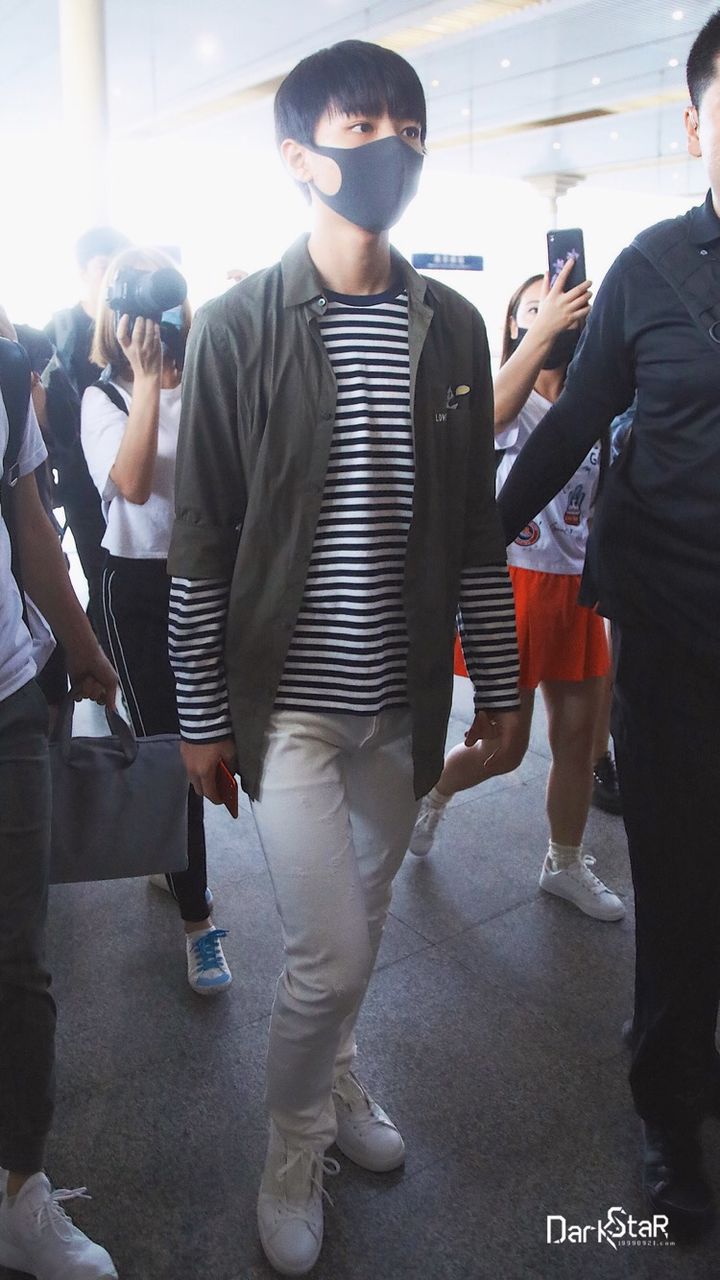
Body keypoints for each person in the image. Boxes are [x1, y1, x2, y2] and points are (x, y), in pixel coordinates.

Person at [166, 38, 522, 1275]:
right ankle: (291, 1142)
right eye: (362, 127)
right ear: (298, 156)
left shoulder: (455, 328)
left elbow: (474, 528)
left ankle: (340, 1074)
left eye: (407, 129)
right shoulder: (239, 327)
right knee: (330, 955)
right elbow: (201, 537)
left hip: (400, 704)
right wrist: (198, 713)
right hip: (292, 712)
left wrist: (503, 686)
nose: (392, 150)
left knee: (359, 931)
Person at [497, 7, 720, 1237]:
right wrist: (467, 543)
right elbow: (575, 423)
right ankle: (667, 1108)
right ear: (695, 127)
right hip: (677, 634)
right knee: (679, 881)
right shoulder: (652, 269)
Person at [408, 266, 625, 922]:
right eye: (534, 306)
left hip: (578, 589)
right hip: (513, 585)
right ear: (513, 322)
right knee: (503, 748)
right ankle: (433, 795)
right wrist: (541, 337)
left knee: (580, 742)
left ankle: (563, 862)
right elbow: (484, 420)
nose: (552, 313)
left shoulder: (593, 406)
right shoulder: (506, 394)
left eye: (568, 306)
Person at [80, 245, 231, 996]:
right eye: (135, 305)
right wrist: (145, 380)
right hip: (135, 588)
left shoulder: (207, 381)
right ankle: (199, 924)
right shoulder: (100, 398)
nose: (151, 321)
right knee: (174, 750)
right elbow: (134, 485)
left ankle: (168, 857)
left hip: (205, 580)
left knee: (216, 737)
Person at [0, 334, 119, 1277]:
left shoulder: (6, 371)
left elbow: (31, 523)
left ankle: (18, 1191)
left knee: (18, 959)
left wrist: (81, 649)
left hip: (5, 698)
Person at [45, 227, 130, 638]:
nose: (112, 276)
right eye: (102, 267)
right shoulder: (61, 330)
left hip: (133, 468)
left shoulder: (134, 323)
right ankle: (107, 661)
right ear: (82, 272)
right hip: (81, 478)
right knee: (101, 574)